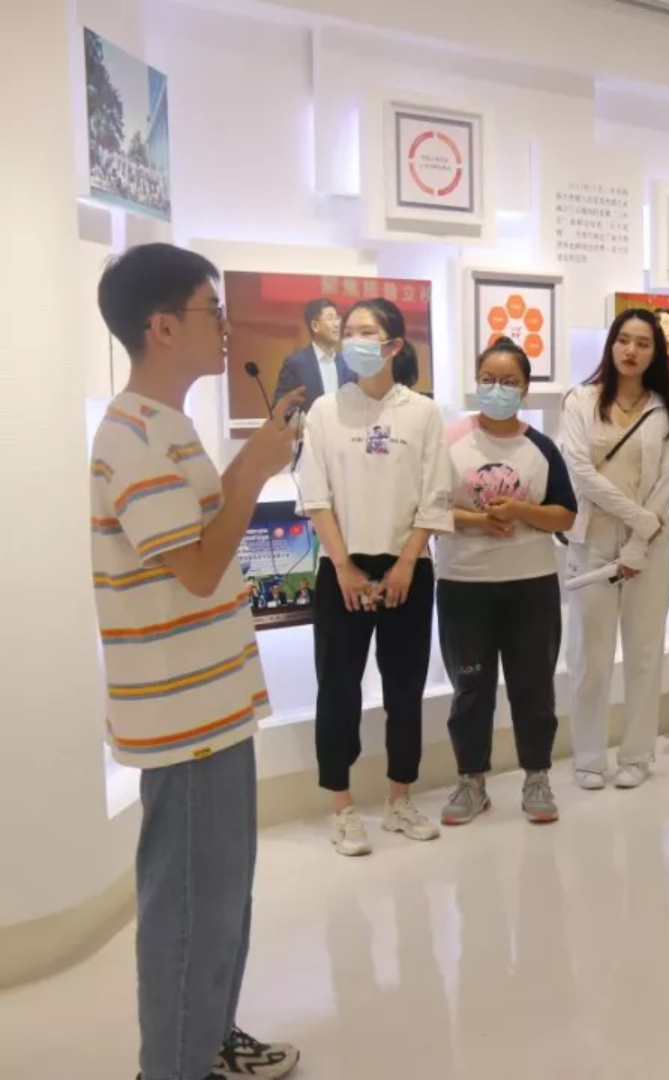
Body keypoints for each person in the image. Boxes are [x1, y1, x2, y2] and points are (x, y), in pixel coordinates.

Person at [93, 243, 302, 1080]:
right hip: (182, 719)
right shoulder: (131, 437)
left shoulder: (168, 425)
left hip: (210, 704)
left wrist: (249, 466)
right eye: (212, 311)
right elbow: (200, 567)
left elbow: (195, 552)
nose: (224, 327)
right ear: (162, 325)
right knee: (186, 903)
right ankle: (175, 1065)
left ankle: (209, 1039)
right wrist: (254, 469)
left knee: (220, 892)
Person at [299, 297, 454, 855]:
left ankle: (399, 799)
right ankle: (341, 807)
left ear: (392, 345)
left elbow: (435, 494)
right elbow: (315, 496)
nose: (354, 341)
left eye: (367, 332)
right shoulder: (324, 411)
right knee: (337, 689)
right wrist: (343, 566)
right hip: (341, 570)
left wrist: (407, 561)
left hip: (407, 570)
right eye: (349, 332)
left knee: (405, 689)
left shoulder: (423, 412)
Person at [436, 338, 578, 826]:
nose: (497, 389)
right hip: (463, 583)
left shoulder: (541, 447)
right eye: (488, 380)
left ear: (526, 389)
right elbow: (427, 509)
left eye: (509, 382)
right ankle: (471, 781)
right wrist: (477, 521)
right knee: (470, 688)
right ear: (476, 382)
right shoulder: (450, 439)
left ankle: (537, 776)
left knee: (533, 686)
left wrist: (519, 511)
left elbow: (565, 515)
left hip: (530, 584)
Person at [560, 309, 669, 790]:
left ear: (655, 353)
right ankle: (589, 758)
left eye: (643, 343)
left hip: (647, 547)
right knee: (589, 658)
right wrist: (639, 519)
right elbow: (580, 472)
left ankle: (637, 754)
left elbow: (668, 480)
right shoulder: (581, 400)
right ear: (611, 344)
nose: (631, 350)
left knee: (645, 654)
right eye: (624, 340)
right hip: (593, 541)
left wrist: (639, 539)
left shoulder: (663, 408)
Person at [273, 297, 353, 406]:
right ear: (315, 326)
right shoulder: (296, 363)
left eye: (337, 318)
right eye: (330, 318)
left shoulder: (347, 363)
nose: (337, 324)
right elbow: (279, 404)